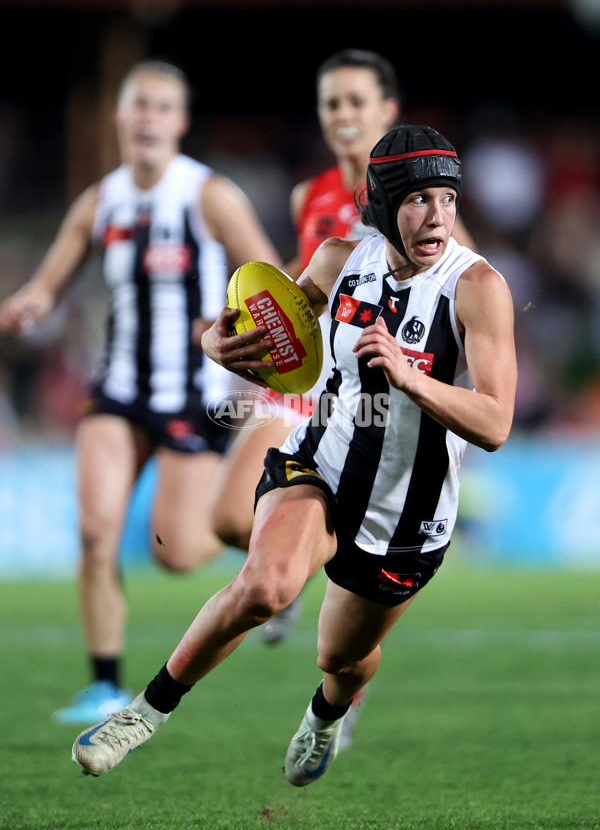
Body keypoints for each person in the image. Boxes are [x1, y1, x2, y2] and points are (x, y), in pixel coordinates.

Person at [71, 124, 517, 786]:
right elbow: (267, 325)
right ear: (386, 202)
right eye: (420, 199)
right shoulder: (340, 261)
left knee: (342, 658)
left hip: (407, 515)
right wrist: (216, 342)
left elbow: (496, 421)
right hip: (319, 464)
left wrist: (412, 376)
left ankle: (326, 714)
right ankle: (142, 712)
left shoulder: (476, 287)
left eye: (448, 199)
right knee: (266, 584)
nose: (439, 217)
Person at [0, 60, 282, 724]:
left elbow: (276, 284)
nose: (149, 117)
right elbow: (49, 283)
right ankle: (103, 685)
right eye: (139, 106)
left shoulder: (210, 196)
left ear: (179, 122)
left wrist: (230, 324)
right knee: (96, 530)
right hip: (119, 387)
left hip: (193, 395)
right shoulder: (101, 201)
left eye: (162, 107)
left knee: (181, 553)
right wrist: (26, 306)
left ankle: (271, 545)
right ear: (120, 118)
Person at [207, 49, 476, 650]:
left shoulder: (417, 196)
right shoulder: (312, 194)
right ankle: (292, 574)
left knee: (358, 584)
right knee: (226, 516)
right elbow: (302, 282)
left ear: (387, 110)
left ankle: (338, 669)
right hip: (314, 378)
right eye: (332, 102)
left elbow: (465, 284)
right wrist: (239, 319)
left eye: (357, 101)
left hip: (385, 390)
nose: (343, 114)